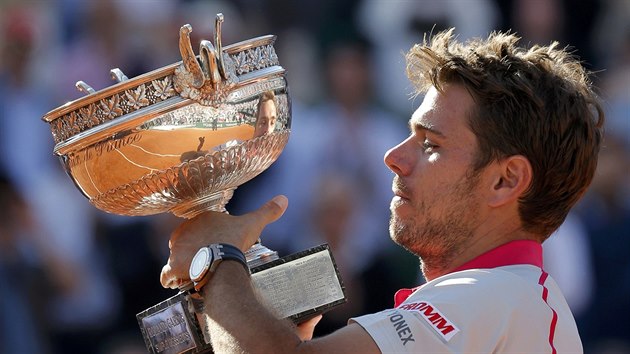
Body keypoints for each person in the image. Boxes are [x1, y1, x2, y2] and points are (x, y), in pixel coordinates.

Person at [160, 28, 604, 353]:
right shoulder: (504, 301)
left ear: (505, 180)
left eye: (430, 144)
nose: (393, 156)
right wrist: (262, 329)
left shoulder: (491, 297)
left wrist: (216, 259)